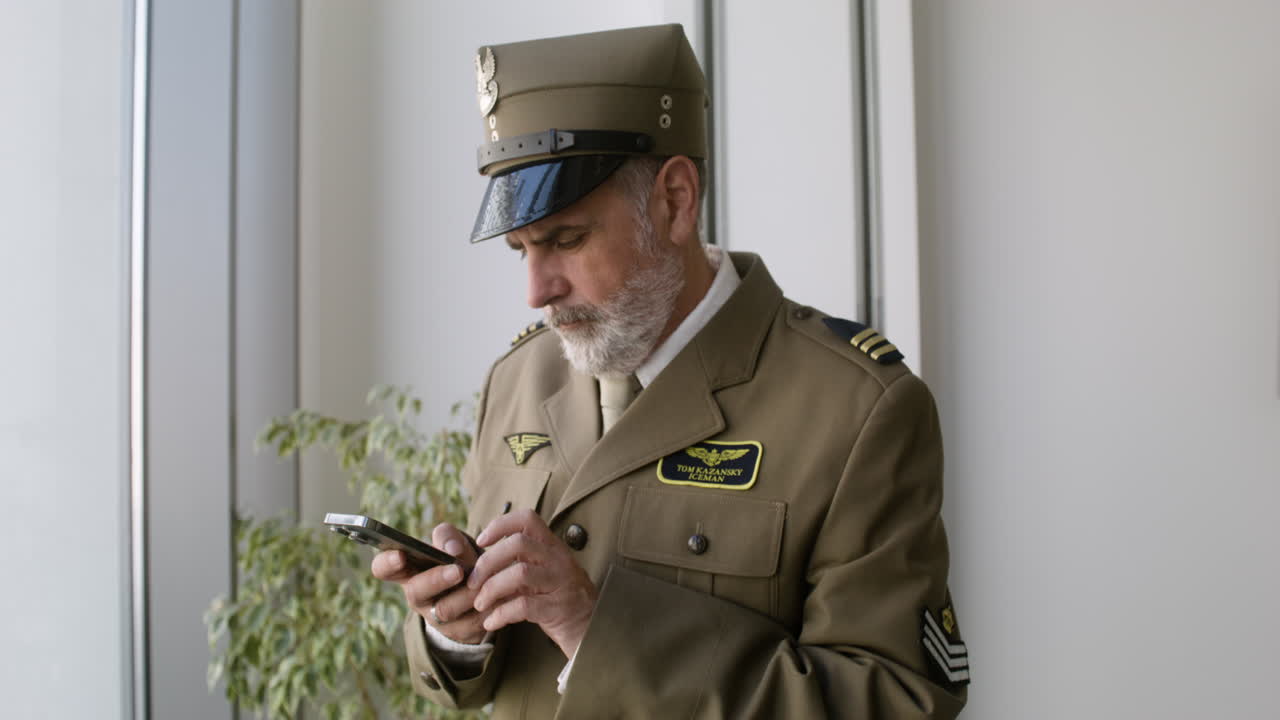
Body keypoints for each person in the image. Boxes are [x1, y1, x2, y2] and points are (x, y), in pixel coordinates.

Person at [371, 23, 969, 719]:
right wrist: (456, 630)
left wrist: (599, 630)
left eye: (566, 239)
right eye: (520, 249)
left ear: (676, 200)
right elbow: (482, 679)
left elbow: (896, 700)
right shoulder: (518, 380)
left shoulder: (857, 408)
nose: (536, 290)